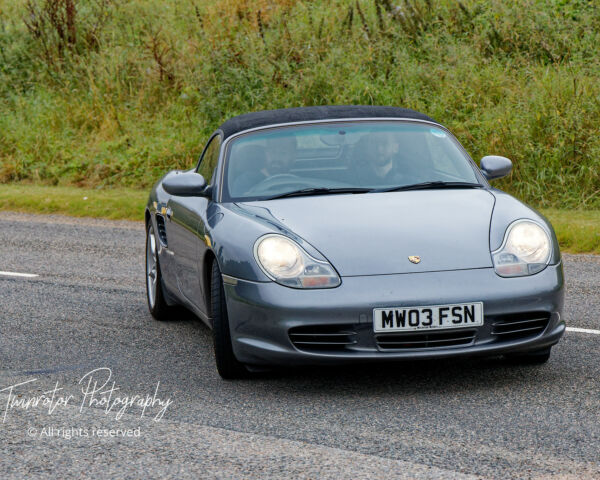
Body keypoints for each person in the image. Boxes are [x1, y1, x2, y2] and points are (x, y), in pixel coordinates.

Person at [229, 135, 298, 196]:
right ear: (266, 153)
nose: (276, 157)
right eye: (272, 152)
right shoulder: (245, 181)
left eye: (283, 153)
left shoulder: (299, 183)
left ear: (293, 156)